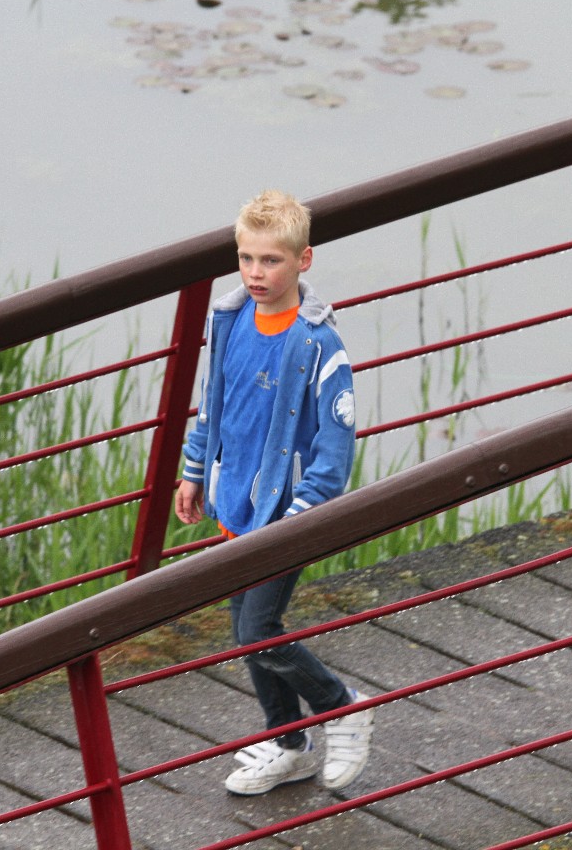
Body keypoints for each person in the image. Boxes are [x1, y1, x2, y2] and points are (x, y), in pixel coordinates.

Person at [174, 189, 373, 796]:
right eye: (246, 259)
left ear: (303, 260)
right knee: (247, 629)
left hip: (284, 517)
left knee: (257, 631)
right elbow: (214, 405)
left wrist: (297, 519)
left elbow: (333, 454)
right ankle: (289, 743)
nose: (256, 273)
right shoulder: (229, 321)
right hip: (235, 501)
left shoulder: (318, 345)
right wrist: (194, 470)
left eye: (271, 260)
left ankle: (342, 707)